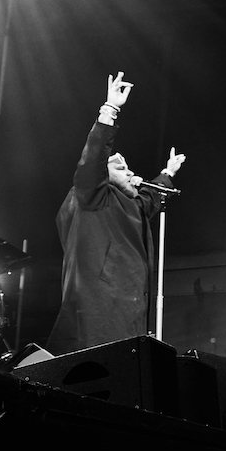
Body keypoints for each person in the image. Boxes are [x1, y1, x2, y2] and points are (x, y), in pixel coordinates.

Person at [48, 72, 186, 354]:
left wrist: (167, 172)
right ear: (105, 177)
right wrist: (110, 110)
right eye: (121, 168)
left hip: (131, 310)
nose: (131, 171)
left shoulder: (132, 205)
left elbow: (151, 197)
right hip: (99, 309)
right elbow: (93, 161)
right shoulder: (93, 196)